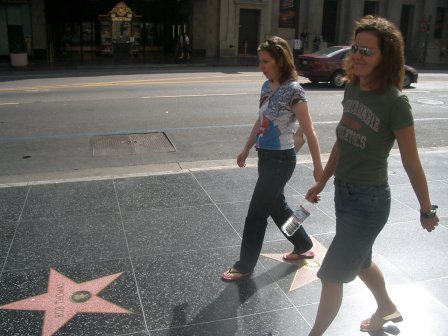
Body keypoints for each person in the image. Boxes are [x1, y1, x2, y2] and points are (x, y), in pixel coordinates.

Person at [305, 16, 440, 335]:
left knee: (332, 274)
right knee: (361, 262)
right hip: (343, 193)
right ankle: (387, 307)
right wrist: (322, 180)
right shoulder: (352, 88)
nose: (358, 56)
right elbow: (343, 136)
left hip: (370, 202)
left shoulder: (395, 102)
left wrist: (426, 208)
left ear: (386, 57)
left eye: (368, 51)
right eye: (356, 48)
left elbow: (410, 160)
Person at [221, 36, 323, 281]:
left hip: (281, 161)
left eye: (265, 61)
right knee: (278, 207)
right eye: (260, 61)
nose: (261, 67)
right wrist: (246, 148)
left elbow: (310, 131)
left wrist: (319, 169)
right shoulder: (267, 87)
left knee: (256, 213)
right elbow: (261, 120)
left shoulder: (294, 91)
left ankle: (244, 265)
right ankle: (302, 244)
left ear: (280, 60)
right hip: (265, 158)